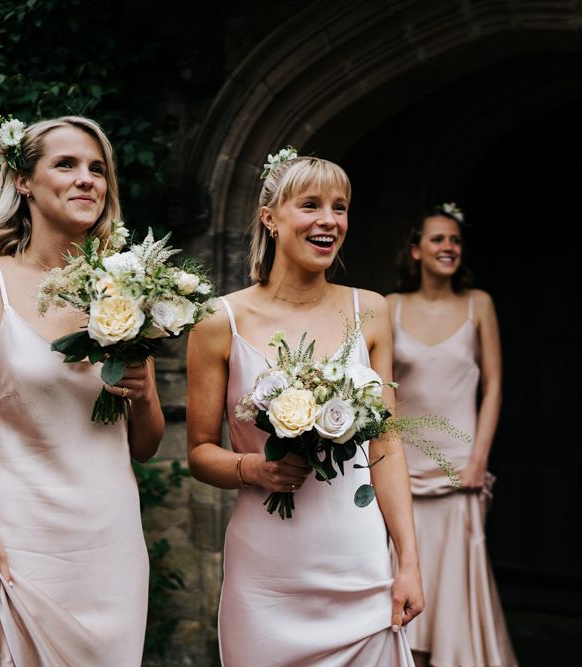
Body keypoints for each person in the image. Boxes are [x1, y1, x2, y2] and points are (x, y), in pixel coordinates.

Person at [0, 115, 164, 666]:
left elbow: (144, 445)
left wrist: (141, 391)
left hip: (111, 552)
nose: (86, 179)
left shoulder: (125, 291)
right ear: (23, 180)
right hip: (16, 544)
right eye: (65, 165)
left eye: (97, 169)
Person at [187, 151, 423, 665]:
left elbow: (386, 446)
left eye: (339, 208)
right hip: (267, 575)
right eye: (311, 205)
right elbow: (200, 452)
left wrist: (408, 562)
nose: (329, 220)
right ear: (270, 218)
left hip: (359, 563)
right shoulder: (218, 320)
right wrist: (255, 468)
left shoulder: (373, 310)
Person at [386, 204, 517, 667]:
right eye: (438, 240)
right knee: (404, 578)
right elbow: (379, 391)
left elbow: (495, 384)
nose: (448, 248)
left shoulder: (479, 303)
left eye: (455, 240)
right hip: (405, 470)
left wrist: (478, 460)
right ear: (416, 250)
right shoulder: (390, 307)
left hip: (460, 469)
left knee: (456, 589)